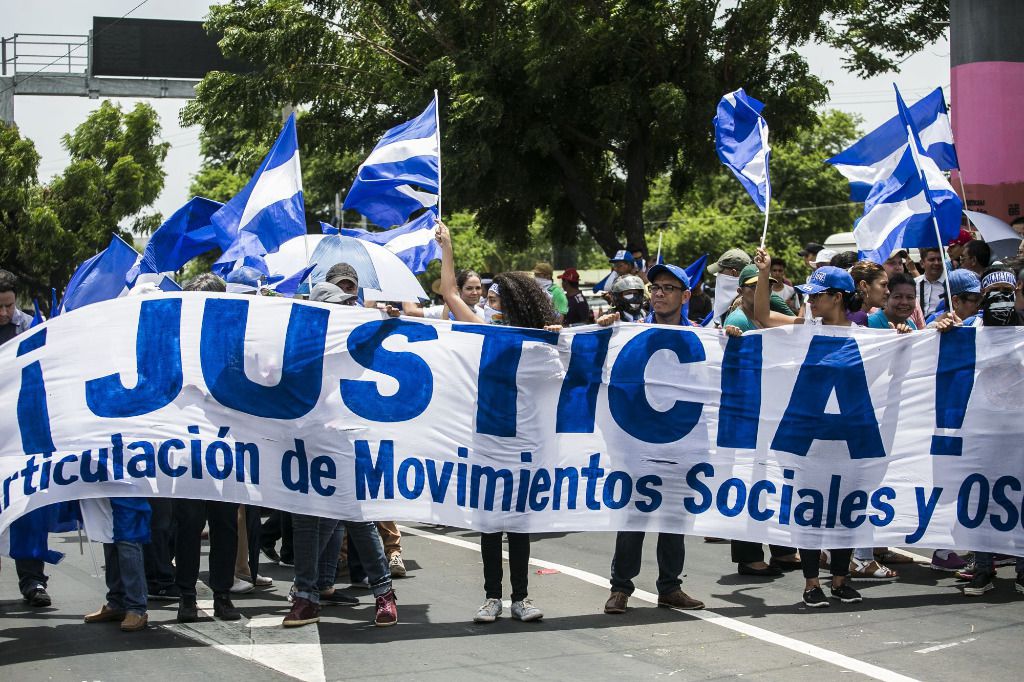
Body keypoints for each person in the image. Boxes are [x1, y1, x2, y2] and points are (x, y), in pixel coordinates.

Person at [437, 221, 551, 623]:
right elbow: (449, 292)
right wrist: (447, 247)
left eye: (493, 297)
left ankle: (520, 598)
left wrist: (560, 336)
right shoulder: (483, 331)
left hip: (524, 440)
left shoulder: (540, 336)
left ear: (515, 302)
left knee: (518, 524)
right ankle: (492, 598)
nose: (486, 301)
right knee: (489, 524)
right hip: (486, 437)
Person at [748, 250, 863, 606]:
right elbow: (763, 315)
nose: (810, 301)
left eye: (816, 295)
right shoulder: (803, 329)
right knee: (808, 512)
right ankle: (812, 582)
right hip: (807, 441)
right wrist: (765, 274)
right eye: (809, 295)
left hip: (848, 441)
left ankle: (841, 580)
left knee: (847, 511)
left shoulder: (868, 336)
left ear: (837, 298)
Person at [283, 279, 397, 628]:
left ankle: (384, 593)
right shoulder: (298, 352)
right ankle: (306, 597)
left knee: (357, 518)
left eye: (349, 304)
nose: (348, 310)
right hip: (308, 444)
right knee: (306, 522)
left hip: (347, 444)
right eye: (340, 305)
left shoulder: (358, 347)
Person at [602, 262, 705, 614]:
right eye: (655, 287)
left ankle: (670, 586)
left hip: (682, 442)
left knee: (676, 517)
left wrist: (731, 343)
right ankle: (620, 588)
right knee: (634, 517)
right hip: (639, 444)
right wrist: (602, 333)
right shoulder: (632, 334)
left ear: (685, 295)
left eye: (668, 288)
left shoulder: (703, 338)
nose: (659, 293)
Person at [175, 273, 243, 623]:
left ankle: (222, 594)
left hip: (227, 448)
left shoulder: (235, 346)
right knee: (187, 524)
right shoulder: (179, 344)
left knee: (225, 524)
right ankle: (187, 595)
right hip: (187, 449)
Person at [0, 269, 53, 606]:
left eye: (7, 305)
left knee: (27, 506)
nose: (4, 313)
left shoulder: (35, 325)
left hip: (22, 431)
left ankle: (33, 581)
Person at [84, 499, 152, 632]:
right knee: (108, 537)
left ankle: (136, 608)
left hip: (126, 486)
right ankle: (117, 603)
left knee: (128, 539)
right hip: (106, 487)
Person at [915, 247, 946, 318]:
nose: (936, 263)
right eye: (932, 260)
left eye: (940, 259)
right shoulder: (914, 284)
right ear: (922, 263)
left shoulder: (950, 284)